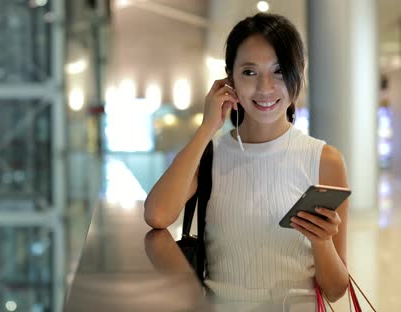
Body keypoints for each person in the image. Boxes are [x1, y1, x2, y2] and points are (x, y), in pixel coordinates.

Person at [144, 13, 350, 310]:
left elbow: (335, 290)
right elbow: (157, 214)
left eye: (279, 71)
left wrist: (321, 242)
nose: (265, 88)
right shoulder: (212, 154)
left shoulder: (325, 161)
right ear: (230, 79)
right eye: (250, 73)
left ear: (299, 73)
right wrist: (207, 128)